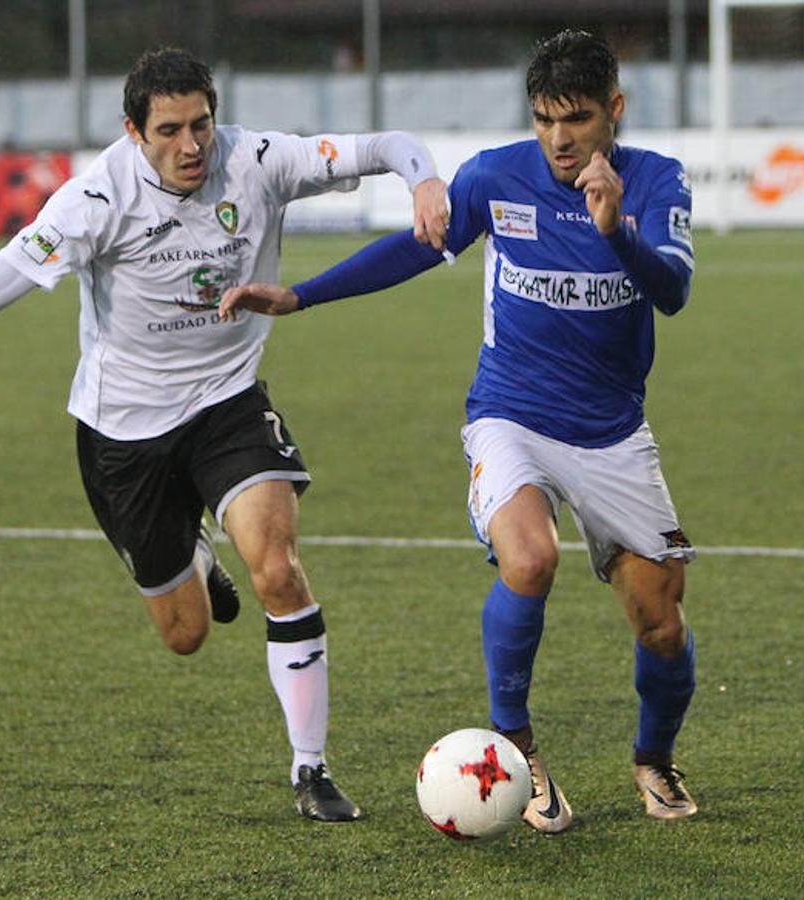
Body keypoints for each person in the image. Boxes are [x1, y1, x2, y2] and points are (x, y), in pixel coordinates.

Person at [0, 47, 449, 823]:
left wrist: (423, 179)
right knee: (184, 636)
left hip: (227, 404)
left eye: (201, 124)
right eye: (171, 130)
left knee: (277, 570)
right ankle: (190, 547)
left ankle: (310, 770)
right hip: (124, 433)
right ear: (133, 132)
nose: (191, 146)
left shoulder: (256, 160)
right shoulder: (92, 200)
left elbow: (387, 146)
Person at [219, 29, 699, 830]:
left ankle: (653, 759)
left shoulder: (654, 181)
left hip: (611, 432)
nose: (558, 138)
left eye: (575, 118)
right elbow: (415, 251)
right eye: (544, 119)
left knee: (659, 618)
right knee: (529, 557)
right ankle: (517, 752)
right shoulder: (494, 176)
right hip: (509, 415)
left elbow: (674, 291)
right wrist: (301, 295)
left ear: (612, 110)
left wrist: (615, 229)